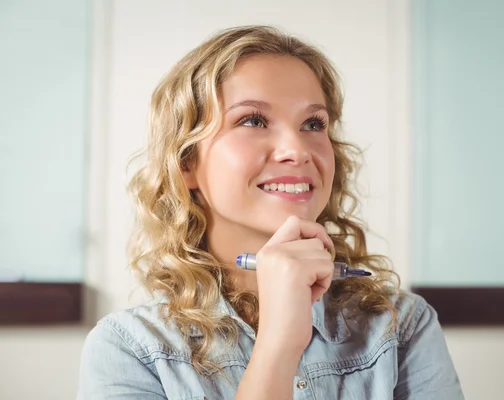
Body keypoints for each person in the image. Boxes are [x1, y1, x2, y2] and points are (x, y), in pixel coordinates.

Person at [77, 25, 464, 399]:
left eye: (313, 123)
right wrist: (278, 344)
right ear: (186, 162)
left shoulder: (403, 326)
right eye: (253, 120)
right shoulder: (129, 351)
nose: (297, 150)